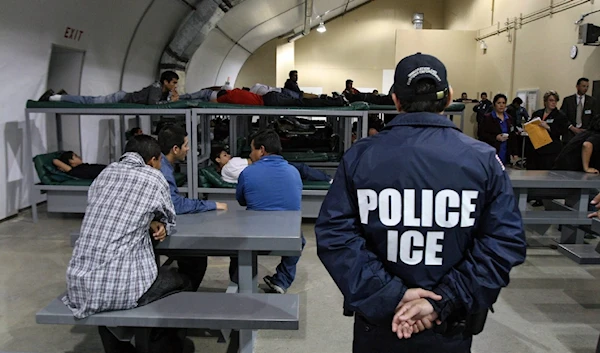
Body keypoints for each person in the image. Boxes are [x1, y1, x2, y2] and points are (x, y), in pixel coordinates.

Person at [314, 52, 526, 353]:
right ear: (450, 97)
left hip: (379, 324)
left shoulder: (360, 157)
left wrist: (392, 295)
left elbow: (336, 236)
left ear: (395, 100)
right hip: (450, 326)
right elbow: (504, 241)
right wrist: (442, 300)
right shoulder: (483, 160)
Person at [62, 135, 193, 352]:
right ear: (153, 160)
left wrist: (148, 221)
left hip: (80, 285)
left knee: (104, 292)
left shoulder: (105, 174)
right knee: (182, 281)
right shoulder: (153, 177)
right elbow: (170, 219)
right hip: (122, 289)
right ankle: (165, 346)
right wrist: (159, 223)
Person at [236, 130, 305, 294]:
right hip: (289, 236)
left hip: (255, 235)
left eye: (252, 150)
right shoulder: (294, 172)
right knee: (300, 239)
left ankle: (240, 280)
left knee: (235, 240)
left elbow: (241, 201)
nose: (251, 154)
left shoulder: (247, 173)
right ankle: (282, 280)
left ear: (261, 150)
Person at [158, 124, 227, 214]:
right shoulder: (164, 171)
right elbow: (176, 205)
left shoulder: (163, 164)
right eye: (185, 145)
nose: (188, 148)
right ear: (175, 149)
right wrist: (213, 205)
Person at [39, 71, 181, 105]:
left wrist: (170, 98)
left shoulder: (163, 90)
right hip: (120, 98)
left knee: (89, 100)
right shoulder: (156, 87)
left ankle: (63, 97)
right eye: (173, 82)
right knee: (89, 101)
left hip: (123, 97)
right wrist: (171, 101)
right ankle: (55, 97)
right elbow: (153, 104)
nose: (175, 85)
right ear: (166, 82)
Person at [211, 148, 332, 183]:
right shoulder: (233, 163)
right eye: (225, 155)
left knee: (301, 172)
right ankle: (329, 180)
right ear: (217, 159)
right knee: (301, 168)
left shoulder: (223, 175)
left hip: (264, 176)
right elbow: (254, 161)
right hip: (268, 170)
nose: (229, 156)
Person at [524, 91, 569, 171]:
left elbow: (562, 130)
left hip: (550, 149)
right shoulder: (537, 113)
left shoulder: (560, 115)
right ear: (545, 101)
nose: (553, 103)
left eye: (555, 101)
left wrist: (548, 127)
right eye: (551, 100)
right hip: (536, 147)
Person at [477, 93, 519, 164]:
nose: (501, 105)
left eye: (503, 103)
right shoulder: (488, 118)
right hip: (492, 150)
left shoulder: (509, 119)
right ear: (494, 104)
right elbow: (481, 134)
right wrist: (495, 137)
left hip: (505, 151)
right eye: (499, 103)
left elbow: (513, 136)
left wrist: (515, 153)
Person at [561, 77, 597, 144]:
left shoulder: (592, 101)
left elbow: (594, 117)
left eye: (587, 86)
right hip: (570, 133)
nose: (585, 88)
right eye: (583, 86)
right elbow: (562, 116)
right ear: (577, 86)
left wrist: (587, 129)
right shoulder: (568, 100)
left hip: (585, 133)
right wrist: (572, 128)